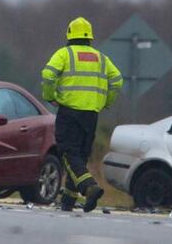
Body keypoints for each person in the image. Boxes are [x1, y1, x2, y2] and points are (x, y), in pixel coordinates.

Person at [41, 17, 123, 212]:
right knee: (80, 156)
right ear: (90, 38)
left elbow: (47, 75)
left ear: (70, 35)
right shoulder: (101, 58)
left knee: (68, 154)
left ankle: (89, 188)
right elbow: (117, 80)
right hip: (91, 115)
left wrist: (50, 96)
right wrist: (106, 102)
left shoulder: (64, 54)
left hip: (69, 112)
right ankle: (68, 202)